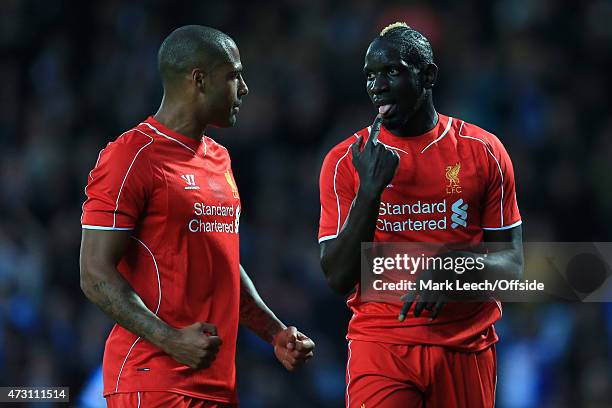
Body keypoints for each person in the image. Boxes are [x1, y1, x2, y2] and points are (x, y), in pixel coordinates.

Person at [80, 25, 314, 408]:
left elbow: (222, 265)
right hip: (153, 382)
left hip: (216, 386)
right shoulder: (131, 156)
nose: (245, 89)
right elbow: (93, 273)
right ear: (199, 80)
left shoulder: (219, 159)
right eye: (234, 76)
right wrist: (170, 339)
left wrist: (274, 333)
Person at [318, 22, 523, 408]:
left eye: (391, 71)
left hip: (465, 346)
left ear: (427, 75)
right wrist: (370, 191)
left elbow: (512, 265)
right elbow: (337, 276)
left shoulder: (484, 151)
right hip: (382, 346)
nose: (376, 86)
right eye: (370, 76)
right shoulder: (346, 161)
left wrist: (454, 271)